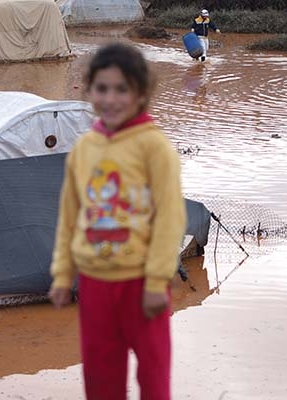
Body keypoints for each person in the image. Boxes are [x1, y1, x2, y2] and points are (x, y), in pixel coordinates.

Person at [48, 43, 186, 400]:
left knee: (154, 376)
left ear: (142, 93)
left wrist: (158, 280)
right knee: (100, 376)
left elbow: (170, 217)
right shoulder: (84, 148)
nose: (111, 99)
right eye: (102, 88)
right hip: (94, 282)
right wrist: (63, 274)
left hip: (142, 284)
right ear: (89, 89)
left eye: (122, 89)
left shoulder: (155, 148)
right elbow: (70, 214)